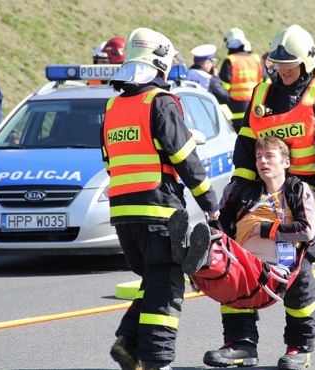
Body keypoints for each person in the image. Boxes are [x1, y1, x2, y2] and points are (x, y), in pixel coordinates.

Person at [204, 24, 315, 370]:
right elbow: (245, 151)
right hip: (257, 195)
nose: (283, 71)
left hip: (302, 195)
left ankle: (299, 348)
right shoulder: (261, 94)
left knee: (297, 276)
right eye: (279, 64)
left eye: (291, 65)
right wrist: (233, 199)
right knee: (233, 268)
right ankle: (240, 344)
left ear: (308, 63)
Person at [101, 27, 219, 370]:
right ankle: (157, 361)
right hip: (159, 210)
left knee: (152, 281)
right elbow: (184, 157)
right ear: (160, 64)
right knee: (167, 286)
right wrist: (210, 204)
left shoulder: (111, 106)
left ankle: (128, 343)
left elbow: (110, 161)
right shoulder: (161, 102)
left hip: (123, 215)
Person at [168, 135, 315, 311]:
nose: (263, 161)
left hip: (271, 272)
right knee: (214, 241)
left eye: (269, 156)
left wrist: (264, 229)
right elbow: (220, 226)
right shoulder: (244, 192)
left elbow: (306, 230)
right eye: (259, 157)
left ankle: (197, 264)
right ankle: (191, 258)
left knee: (222, 266)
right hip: (239, 261)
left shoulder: (297, 190)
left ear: (285, 162)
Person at [219, 27, 263, 132]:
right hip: (256, 112)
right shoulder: (256, 59)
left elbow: (222, 91)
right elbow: (266, 83)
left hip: (235, 115)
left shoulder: (230, 61)